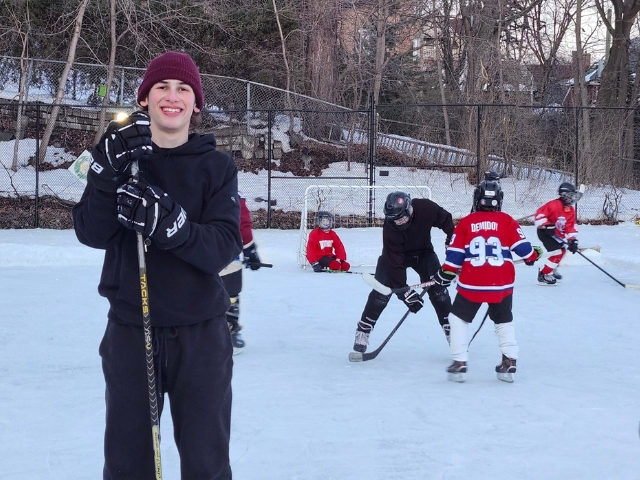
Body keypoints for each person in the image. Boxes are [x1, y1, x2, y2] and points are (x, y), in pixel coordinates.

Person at [72, 51, 240, 479]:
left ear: (196, 104)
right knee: (129, 463)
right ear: (144, 98)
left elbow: (223, 245)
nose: (173, 96)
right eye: (161, 87)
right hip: (131, 331)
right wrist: (105, 174)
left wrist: (173, 226)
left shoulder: (217, 166)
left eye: (183, 89)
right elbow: (91, 232)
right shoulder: (121, 160)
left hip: (201, 336)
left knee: (206, 463)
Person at [432, 180, 542, 383]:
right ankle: (509, 360)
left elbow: (453, 260)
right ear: (499, 201)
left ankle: (459, 362)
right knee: (503, 321)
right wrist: (532, 256)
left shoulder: (466, 222)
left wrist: (443, 275)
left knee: (457, 319)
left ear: (477, 200)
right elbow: (526, 252)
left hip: (472, 284)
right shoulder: (507, 221)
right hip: (501, 284)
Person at [353, 191, 454, 353]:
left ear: (410, 210)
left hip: (423, 254)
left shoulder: (426, 208)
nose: (399, 222)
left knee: (439, 289)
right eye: (395, 220)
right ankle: (363, 329)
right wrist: (404, 292)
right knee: (381, 289)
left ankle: (452, 331)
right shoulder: (390, 229)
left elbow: (448, 222)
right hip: (396, 257)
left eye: (402, 218)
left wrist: (453, 246)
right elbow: (395, 264)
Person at [220, 194, 263, 354]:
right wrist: (250, 250)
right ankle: (229, 331)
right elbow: (243, 223)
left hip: (202, 251)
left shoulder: (193, 187)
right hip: (227, 255)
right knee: (230, 293)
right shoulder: (231, 194)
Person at [534, 182, 582, 285]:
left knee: (562, 251)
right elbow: (539, 215)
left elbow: (570, 225)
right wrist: (546, 225)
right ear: (564, 195)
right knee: (558, 252)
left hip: (555, 234)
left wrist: (572, 240)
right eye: (571, 195)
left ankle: (551, 268)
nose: (573, 198)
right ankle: (544, 274)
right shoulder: (554, 205)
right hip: (545, 232)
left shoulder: (570, 210)